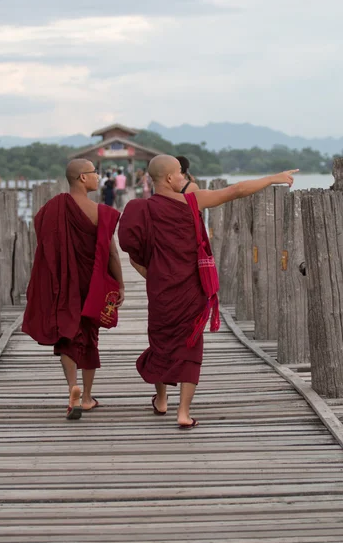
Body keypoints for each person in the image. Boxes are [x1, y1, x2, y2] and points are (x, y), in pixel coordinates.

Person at [119, 155, 298, 430]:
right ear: (169, 178)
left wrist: (152, 275)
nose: (184, 178)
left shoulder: (141, 208)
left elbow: (132, 249)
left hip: (160, 289)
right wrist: (273, 178)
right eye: (180, 173)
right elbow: (236, 191)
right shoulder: (192, 201)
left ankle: (161, 401)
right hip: (192, 287)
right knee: (190, 344)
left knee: (161, 341)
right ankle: (183, 412)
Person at [22, 159, 124, 420]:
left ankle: (72, 388)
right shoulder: (101, 212)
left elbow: (46, 242)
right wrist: (120, 284)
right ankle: (88, 397)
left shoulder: (53, 209)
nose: (97, 177)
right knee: (89, 336)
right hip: (93, 283)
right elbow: (112, 253)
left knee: (67, 335)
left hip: (64, 282)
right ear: (81, 177)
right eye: (94, 173)